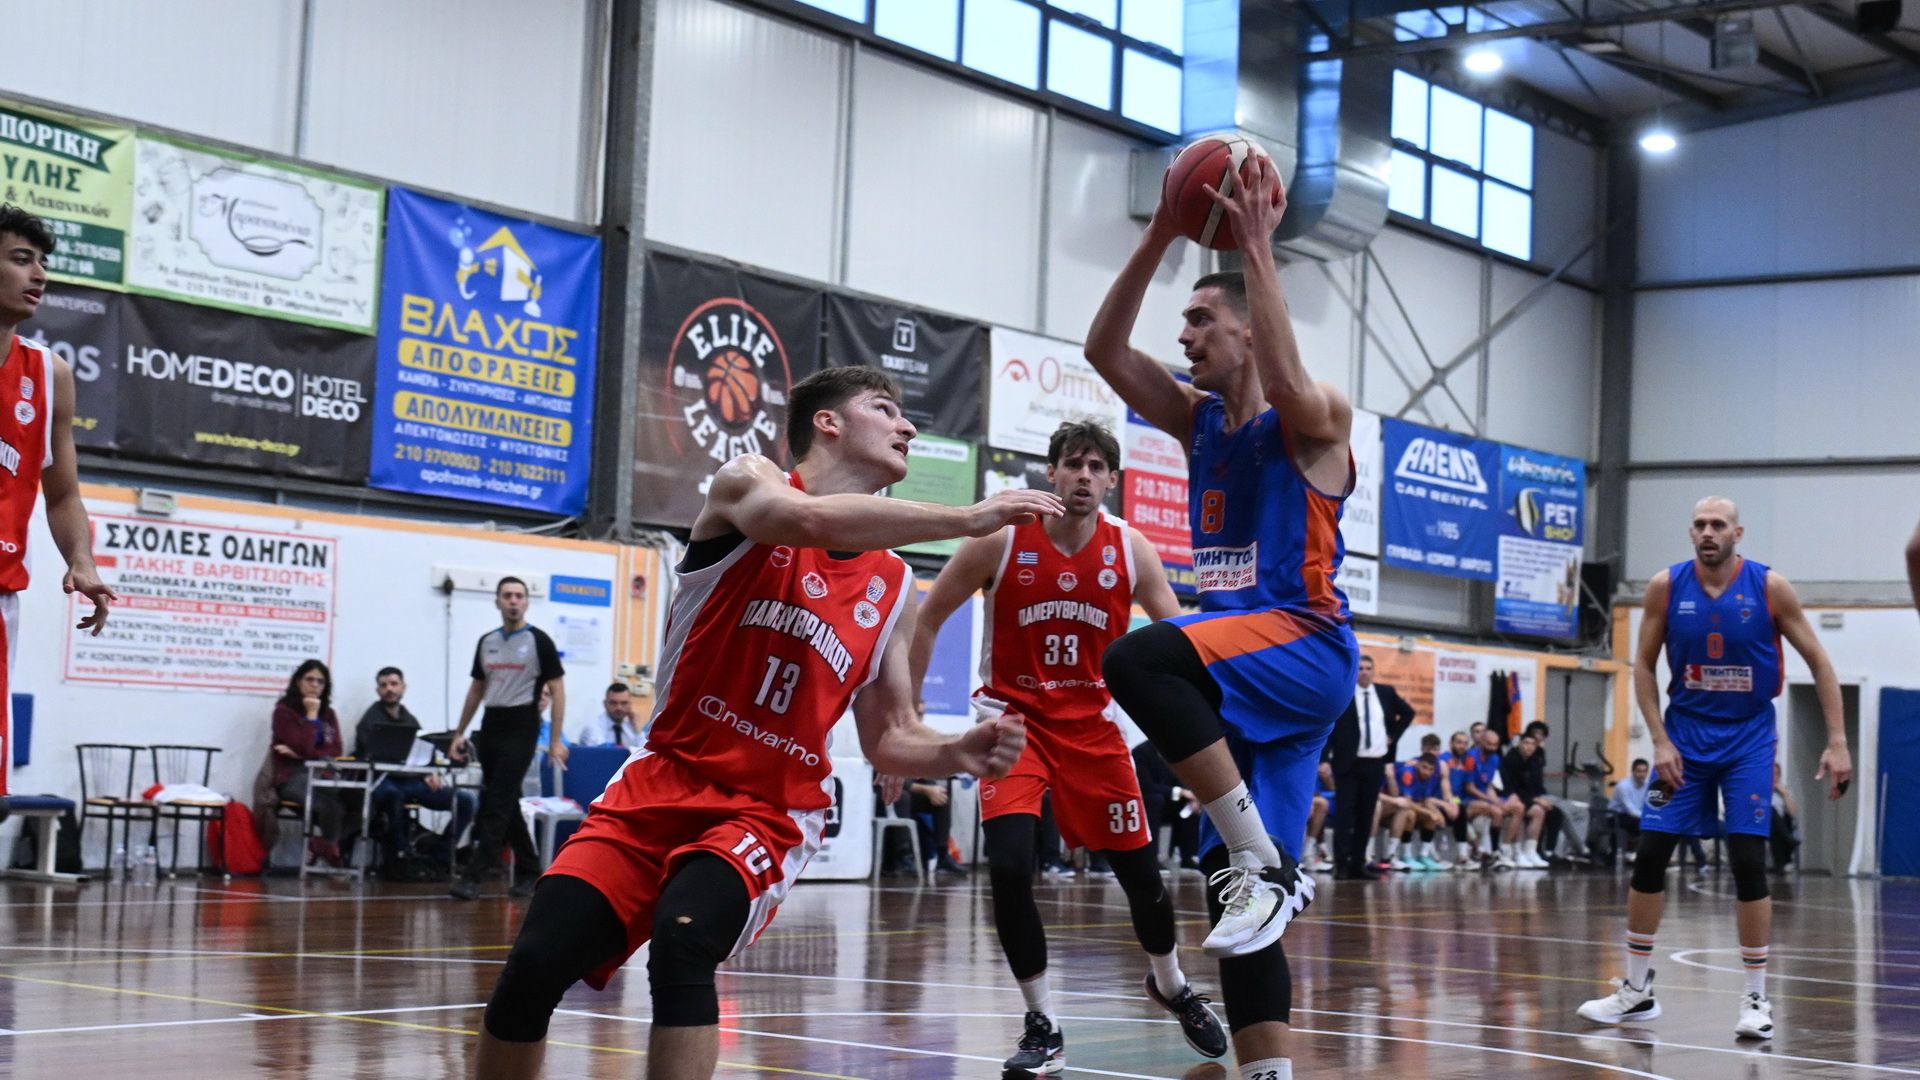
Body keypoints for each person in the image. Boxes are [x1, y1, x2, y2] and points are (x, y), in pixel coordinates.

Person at [474, 366, 1056, 1080]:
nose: (906, 426)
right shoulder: (747, 482)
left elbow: (889, 738)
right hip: (664, 777)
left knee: (685, 939)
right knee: (534, 963)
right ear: (827, 422)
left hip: (768, 808)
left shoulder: (894, 586)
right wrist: (968, 518)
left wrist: (959, 750)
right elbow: (804, 521)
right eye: (885, 408)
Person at [1087, 150, 1358, 1080]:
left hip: (1303, 644)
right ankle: (1267, 1071)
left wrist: (1256, 249)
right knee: (1235, 904)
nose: (1185, 333)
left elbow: (1288, 385)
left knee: (1136, 659)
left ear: (1248, 329)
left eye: (1203, 318)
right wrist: (1162, 233)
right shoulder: (1198, 421)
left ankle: (1263, 856)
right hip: (1240, 670)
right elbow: (1104, 352)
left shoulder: (1314, 418)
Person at [910, 419, 1225, 1073]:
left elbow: (1181, 640)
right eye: (1073, 463)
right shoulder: (1001, 537)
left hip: (1093, 729)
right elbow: (930, 614)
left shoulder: (1130, 548)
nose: (1083, 475)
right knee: (1009, 867)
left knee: (1141, 878)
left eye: (1096, 466)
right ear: (1050, 473)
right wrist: (907, 713)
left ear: (1112, 480)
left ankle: (1171, 983)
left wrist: (1210, 722)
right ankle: (1042, 1022)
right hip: (1012, 725)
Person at [1579, 496, 1852, 1040]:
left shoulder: (1770, 587)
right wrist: (1659, 740)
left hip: (1748, 738)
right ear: (1691, 532)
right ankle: (1637, 991)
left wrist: (1838, 741)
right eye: (1700, 524)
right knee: (1650, 855)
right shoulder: (1665, 587)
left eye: (1718, 525)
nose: (1708, 532)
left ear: (1737, 533)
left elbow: (1820, 662)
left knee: (1748, 860)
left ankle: (1755, 999)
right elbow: (1642, 666)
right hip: (1683, 738)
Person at [0, 205, 114, 800]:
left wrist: (82, 560)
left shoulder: (49, 374)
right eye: (22, 259)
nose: (39, 274)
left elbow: (63, 492)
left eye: (42, 262)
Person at [449, 577, 568, 900]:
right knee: (505, 799)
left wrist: (555, 740)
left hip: (522, 724)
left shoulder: (539, 641)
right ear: (497, 602)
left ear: (526, 602)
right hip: (491, 724)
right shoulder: (486, 641)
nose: (513, 601)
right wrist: (459, 732)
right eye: (507, 596)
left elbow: (557, 690)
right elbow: (476, 689)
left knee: (497, 801)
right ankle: (530, 869)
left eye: (518, 596)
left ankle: (475, 874)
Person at [354, 666, 475, 869]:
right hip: (383, 780)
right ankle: (401, 858)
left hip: (412, 781)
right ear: (377, 690)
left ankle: (442, 854)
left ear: (403, 687)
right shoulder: (369, 721)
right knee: (393, 796)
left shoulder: (410, 720)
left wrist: (431, 772)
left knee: (466, 801)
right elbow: (370, 757)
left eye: (394, 684)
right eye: (384, 685)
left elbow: (423, 754)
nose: (389, 689)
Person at [250, 659, 347, 866]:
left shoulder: (328, 714)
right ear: (298, 682)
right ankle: (330, 849)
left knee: (357, 803)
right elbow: (305, 746)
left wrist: (303, 755)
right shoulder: (284, 711)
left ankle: (323, 844)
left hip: (323, 775)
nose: (314, 685)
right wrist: (311, 716)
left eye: (320, 682)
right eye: (309, 680)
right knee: (330, 806)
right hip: (291, 778)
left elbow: (336, 750)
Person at [1328, 654, 1416, 880]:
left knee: (1366, 815)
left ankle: (1358, 863)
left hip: (1375, 763)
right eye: (1361, 668)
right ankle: (1341, 864)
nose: (1365, 672)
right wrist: (1324, 758)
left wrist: (1392, 736)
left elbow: (1408, 713)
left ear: (1374, 671)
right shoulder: (1344, 694)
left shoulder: (1385, 692)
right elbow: (1330, 725)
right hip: (1348, 763)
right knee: (1345, 815)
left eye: (1368, 668)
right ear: (1354, 671)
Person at [1462, 728, 1519, 869]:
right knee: (1496, 811)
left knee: (1516, 808)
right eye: (1489, 744)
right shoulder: (1471, 757)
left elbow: (1488, 785)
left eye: (1495, 745)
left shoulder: (1495, 758)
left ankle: (1504, 849)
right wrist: (1491, 800)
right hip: (1466, 798)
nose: (1492, 748)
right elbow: (1469, 787)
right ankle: (1493, 852)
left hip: (1483, 797)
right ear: (1481, 741)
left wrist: (1496, 800)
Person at [1498, 732, 1553, 868]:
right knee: (1520, 809)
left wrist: (1539, 799)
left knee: (1539, 811)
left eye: (1533, 744)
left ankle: (1530, 851)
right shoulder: (1511, 759)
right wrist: (1535, 799)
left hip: (1525, 797)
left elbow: (1534, 786)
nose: (1529, 747)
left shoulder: (1533, 761)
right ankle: (1514, 852)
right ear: (1519, 744)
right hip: (1507, 795)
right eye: (1526, 743)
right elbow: (1511, 787)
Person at [571, 682, 642, 749]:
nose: (619, 708)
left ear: (630, 705)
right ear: (605, 704)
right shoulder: (593, 727)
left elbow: (645, 752)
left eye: (624, 703)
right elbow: (605, 752)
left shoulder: (632, 727)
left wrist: (638, 730)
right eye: (613, 703)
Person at [1609, 758, 1653, 862]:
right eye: (1639, 771)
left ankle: (1640, 854)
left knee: (1654, 825)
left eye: (1644, 771)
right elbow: (1630, 809)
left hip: (1634, 816)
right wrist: (1647, 818)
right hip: (1616, 816)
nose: (1642, 774)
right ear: (1633, 771)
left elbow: (1649, 805)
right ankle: (1634, 853)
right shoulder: (1623, 786)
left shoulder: (1648, 785)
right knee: (1643, 825)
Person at [1768, 762, 1799, 873]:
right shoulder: (1760, 790)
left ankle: (1779, 866)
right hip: (1763, 824)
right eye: (1771, 774)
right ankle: (1789, 839)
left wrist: (1785, 794)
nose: (1774, 777)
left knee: (1782, 823)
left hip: (1779, 827)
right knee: (1771, 810)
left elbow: (1792, 813)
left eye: (1776, 774)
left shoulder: (1784, 791)